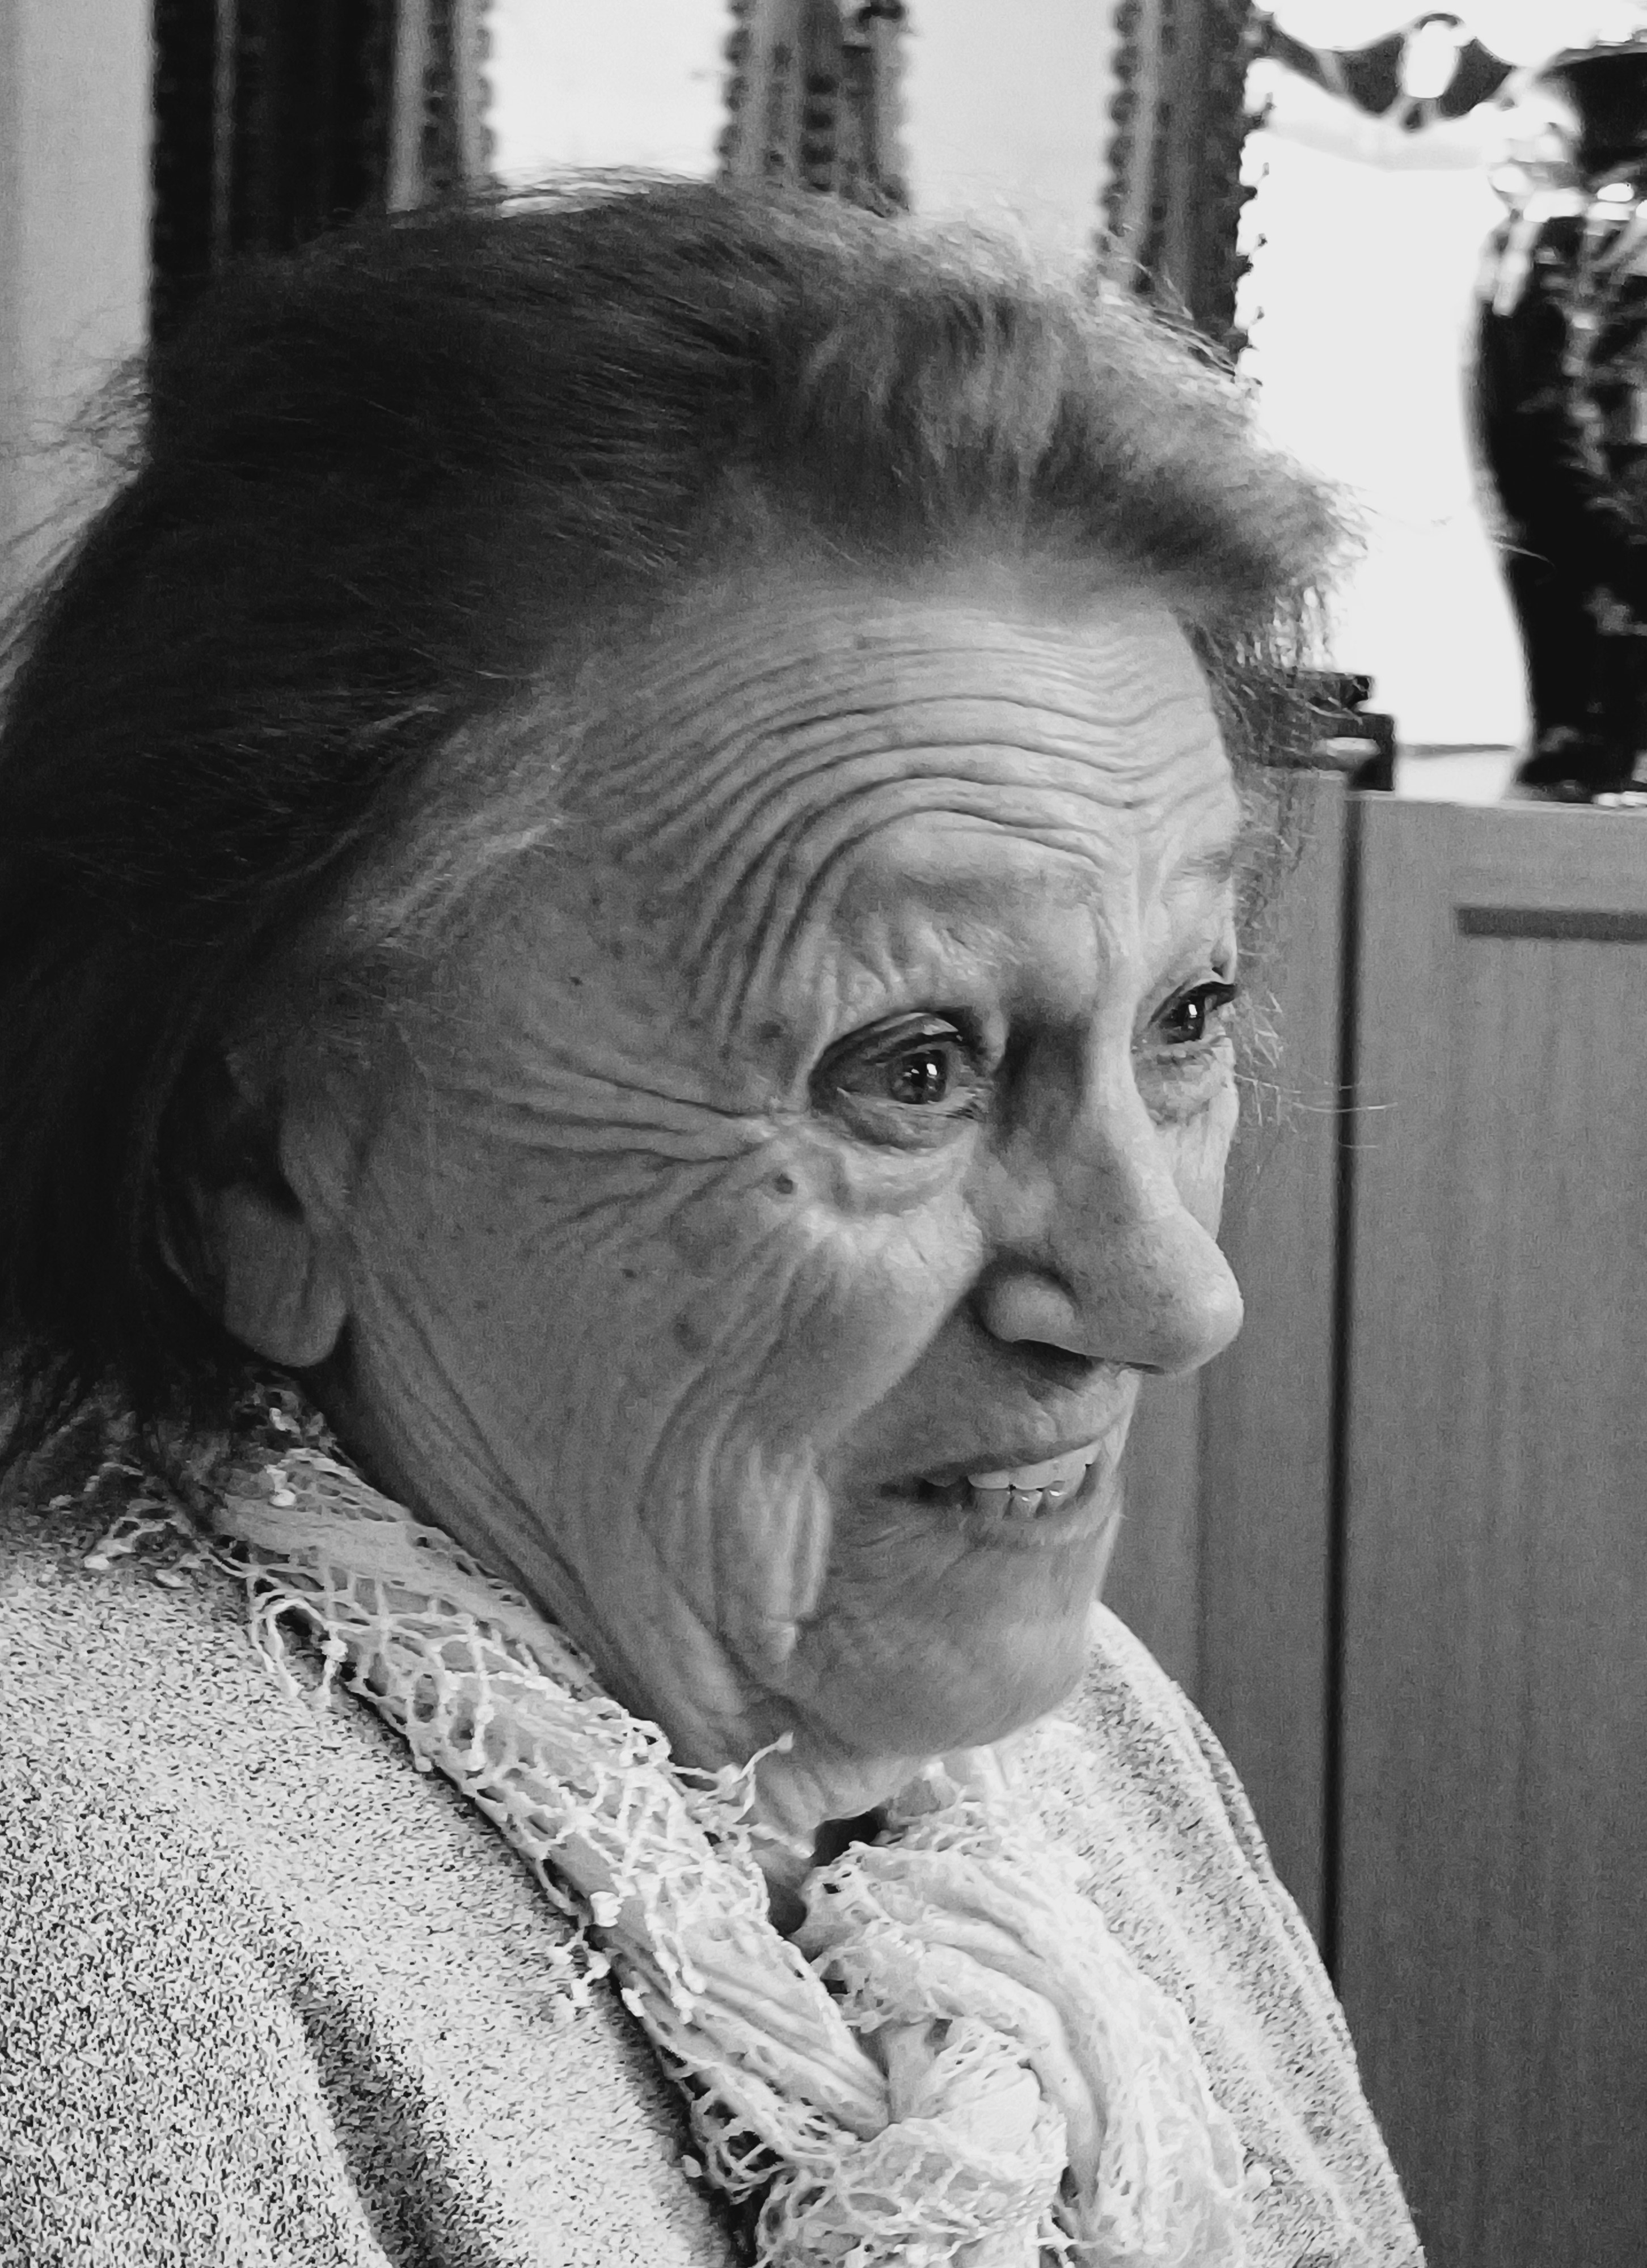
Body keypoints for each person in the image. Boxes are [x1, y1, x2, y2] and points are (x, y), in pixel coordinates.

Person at [0, 179, 1422, 2267]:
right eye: (911, 1066)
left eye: (1186, 1017)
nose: (1169, 1292)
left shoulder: (1059, 1747)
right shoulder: (87, 1921)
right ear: (260, 1156)